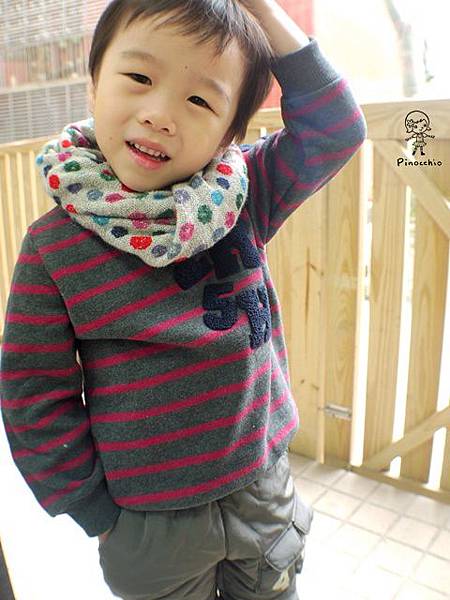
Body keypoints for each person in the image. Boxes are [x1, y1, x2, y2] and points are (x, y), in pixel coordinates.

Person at [0, 0, 367, 598]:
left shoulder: (243, 195)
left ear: (229, 133)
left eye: (200, 100)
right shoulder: (53, 248)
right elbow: (34, 394)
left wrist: (259, 8)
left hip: (262, 486)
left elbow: (336, 128)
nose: (161, 114)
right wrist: (94, 509)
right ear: (94, 82)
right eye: (138, 77)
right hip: (147, 520)